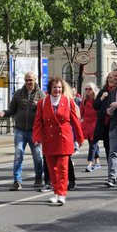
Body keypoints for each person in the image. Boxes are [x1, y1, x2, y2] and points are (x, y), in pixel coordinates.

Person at [33, 77, 84, 205]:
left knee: (62, 168)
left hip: (64, 139)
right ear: (50, 88)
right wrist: (37, 137)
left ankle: (62, 194)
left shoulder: (68, 101)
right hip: (49, 140)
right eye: (55, 87)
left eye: (60, 87)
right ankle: (55, 192)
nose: (57, 89)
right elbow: (38, 122)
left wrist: (79, 137)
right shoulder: (42, 103)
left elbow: (75, 121)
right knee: (52, 169)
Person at [0, 72, 45, 190]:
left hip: (35, 131)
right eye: (27, 80)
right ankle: (17, 181)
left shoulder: (41, 95)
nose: (29, 82)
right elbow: (12, 109)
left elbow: (44, 112)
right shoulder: (18, 93)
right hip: (20, 130)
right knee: (18, 155)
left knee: (37, 155)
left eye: (31, 80)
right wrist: (4, 113)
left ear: (35, 80)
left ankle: (38, 178)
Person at [93, 73, 116, 162]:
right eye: (109, 78)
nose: (110, 80)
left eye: (113, 78)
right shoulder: (103, 91)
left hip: (115, 123)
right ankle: (111, 167)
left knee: (115, 146)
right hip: (105, 124)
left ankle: (114, 167)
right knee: (107, 145)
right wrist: (102, 97)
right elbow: (95, 106)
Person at [80, 82, 101, 172]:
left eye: (90, 89)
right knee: (92, 144)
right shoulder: (84, 100)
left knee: (92, 145)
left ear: (93, 90)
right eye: (86, 89)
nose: (88, 91)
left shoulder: (97, 100)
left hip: (95, 125)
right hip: (87, 125)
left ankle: (89, 163)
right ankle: (97, 162)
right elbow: (80, 113)